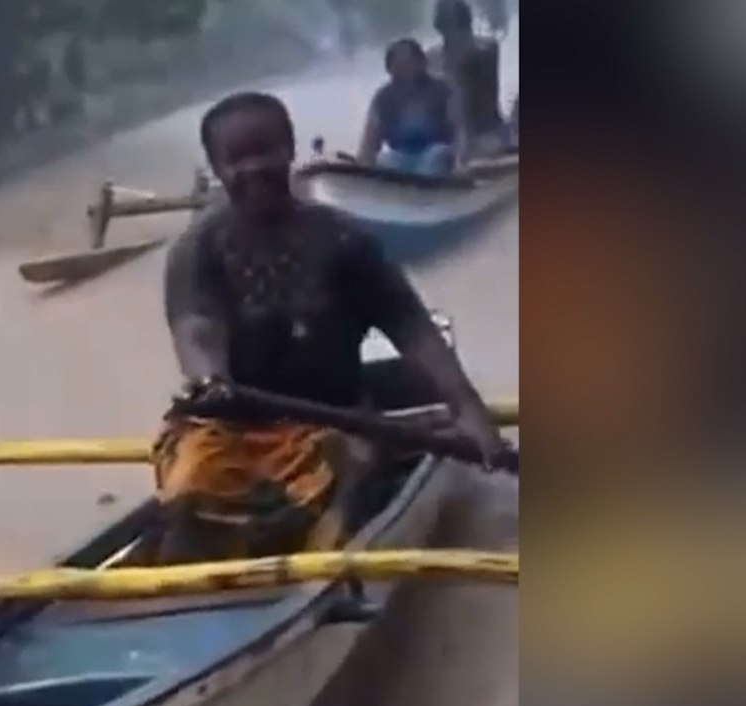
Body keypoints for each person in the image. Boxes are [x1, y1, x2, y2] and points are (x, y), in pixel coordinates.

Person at [143, 92, 507, 565]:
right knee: (191, 482)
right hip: (232, 429)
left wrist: (469, 410)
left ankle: (318, 571)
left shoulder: (344, 239)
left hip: (333, 424)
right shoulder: (198, 248)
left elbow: (411, 328)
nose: (253, 169)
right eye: (237, 159)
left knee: (347, 481)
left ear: (290, 149)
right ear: (216, 166)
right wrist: (209, 379)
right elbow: (196, 330)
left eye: (265, 152)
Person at [356, 38, 456, 176]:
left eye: (409, 63)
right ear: (389, 69)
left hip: (436, 153)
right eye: (398, 65)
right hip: (401, 157)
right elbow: (370, 141)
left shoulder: (442, 91)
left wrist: (462, 164)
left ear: (422, 63)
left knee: (437, 155)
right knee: (383, 159)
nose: (405, 69)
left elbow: (460, 130)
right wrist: (363, 168)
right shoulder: (384, 97)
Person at [433, 0, 510, 166]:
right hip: (446, 139)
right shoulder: (433, 57)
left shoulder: (485, 49)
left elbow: (462, 77)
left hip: (486, 131)